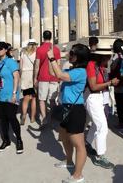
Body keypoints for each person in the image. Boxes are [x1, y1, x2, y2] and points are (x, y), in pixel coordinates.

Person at [49, 44, 89, 183]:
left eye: (72, 53)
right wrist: (52, 59)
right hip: (66, 108)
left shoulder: (81, 72)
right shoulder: (72, 69)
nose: (70, 55)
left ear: (79, 57)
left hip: (75, 110)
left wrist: (52, 58)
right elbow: (54, 73)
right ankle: (69, 161)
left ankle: (78, 176)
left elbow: (59, 74)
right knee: (65, 138)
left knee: (79, 144)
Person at [85, 40, 119, 169]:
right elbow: (93, 86)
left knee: (96, 124)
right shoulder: (91, 65)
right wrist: (110, 83)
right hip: (92, 97)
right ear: (102, 56)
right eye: (108, 57)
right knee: (102, 127)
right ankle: (100, 156)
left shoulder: (99, 66)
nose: (109, 59)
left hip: (98, 98)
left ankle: (87, 143)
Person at [0, 42, 23, 154]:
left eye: (1, 48)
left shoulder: (11, 62)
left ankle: (19, 140)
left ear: (5, 50)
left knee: (12, 118)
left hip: (11, 95)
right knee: (3, 120)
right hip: (0, 96)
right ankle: (6, 140)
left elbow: (16, 77)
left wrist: (14, 94)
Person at [34, 30, 61, 127]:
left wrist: (35, 78)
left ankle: (44, 118)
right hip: (54, 77)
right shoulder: (56, 49)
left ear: (43, 37)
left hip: (42, 77)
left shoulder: (39, 49)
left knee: (42, 99)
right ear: (51, 37)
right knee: (52, 100)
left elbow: (37, 65)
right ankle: (51, 116)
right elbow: (58, 64)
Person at [110, 39, 123, 129]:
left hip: (118, 82)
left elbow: (112, 68)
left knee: (120, 103)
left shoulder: (116, 57)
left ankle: (121, 122)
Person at [20, 39, 37, 125]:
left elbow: (20, 67)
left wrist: (21, 77)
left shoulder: (23, 53)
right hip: (33, 75)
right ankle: (32, 118)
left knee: (25, 98)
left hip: (25, 76)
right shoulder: (36, 53)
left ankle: (23, 116)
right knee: (33, 98)